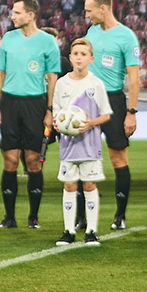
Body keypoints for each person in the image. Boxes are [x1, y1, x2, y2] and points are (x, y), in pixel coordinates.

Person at [0, 0, 61, 230]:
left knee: (34, 162)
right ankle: (9, 218)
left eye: (17, 12)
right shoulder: (8, 39)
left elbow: (53, 78)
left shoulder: (47, 42)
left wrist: (50, 110)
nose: (12, 16)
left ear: (30, 15)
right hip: (10, 103)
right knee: (10, 159)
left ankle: (33, 217)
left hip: (36, 104)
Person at [84, 0, 143, 231]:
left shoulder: (126, 37)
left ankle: (120, 215)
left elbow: (135, 78)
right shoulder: (91, 32)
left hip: (114, 101)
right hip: (88, 98)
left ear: (103, 8)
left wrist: (131, 111)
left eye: (89, 10)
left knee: (118, 157)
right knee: (84, 157)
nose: (87, 15)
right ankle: (80, 216)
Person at [50, 40, 111, 246]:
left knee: (89, 184)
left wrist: (91, 123)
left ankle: (92, 232)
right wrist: (58, 123)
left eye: (83, 54)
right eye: (75, 53)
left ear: (91, 59)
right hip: (68, 146)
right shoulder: (61, 83)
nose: (78, 57)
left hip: (90, 145)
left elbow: (106, 115)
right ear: (70, 57)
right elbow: (56, 111)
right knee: (69, 185)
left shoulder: (96, 84)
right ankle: (68, 231)